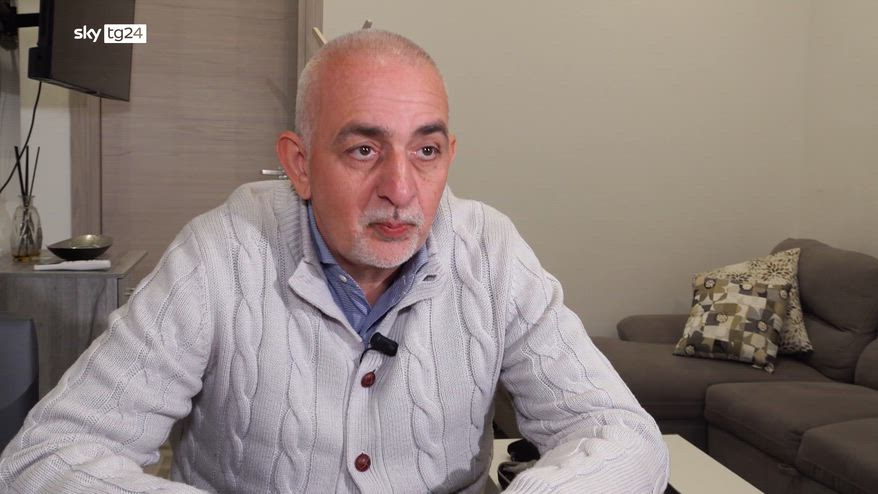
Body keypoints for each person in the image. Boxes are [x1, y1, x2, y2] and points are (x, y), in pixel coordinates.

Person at [0, 30, 668, 493]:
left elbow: (625, 435)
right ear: (299, 164)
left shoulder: (491, 251)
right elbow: (45, 458)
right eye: (363, 150)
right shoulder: (220, 252)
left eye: (426, 151)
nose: (401, 189)